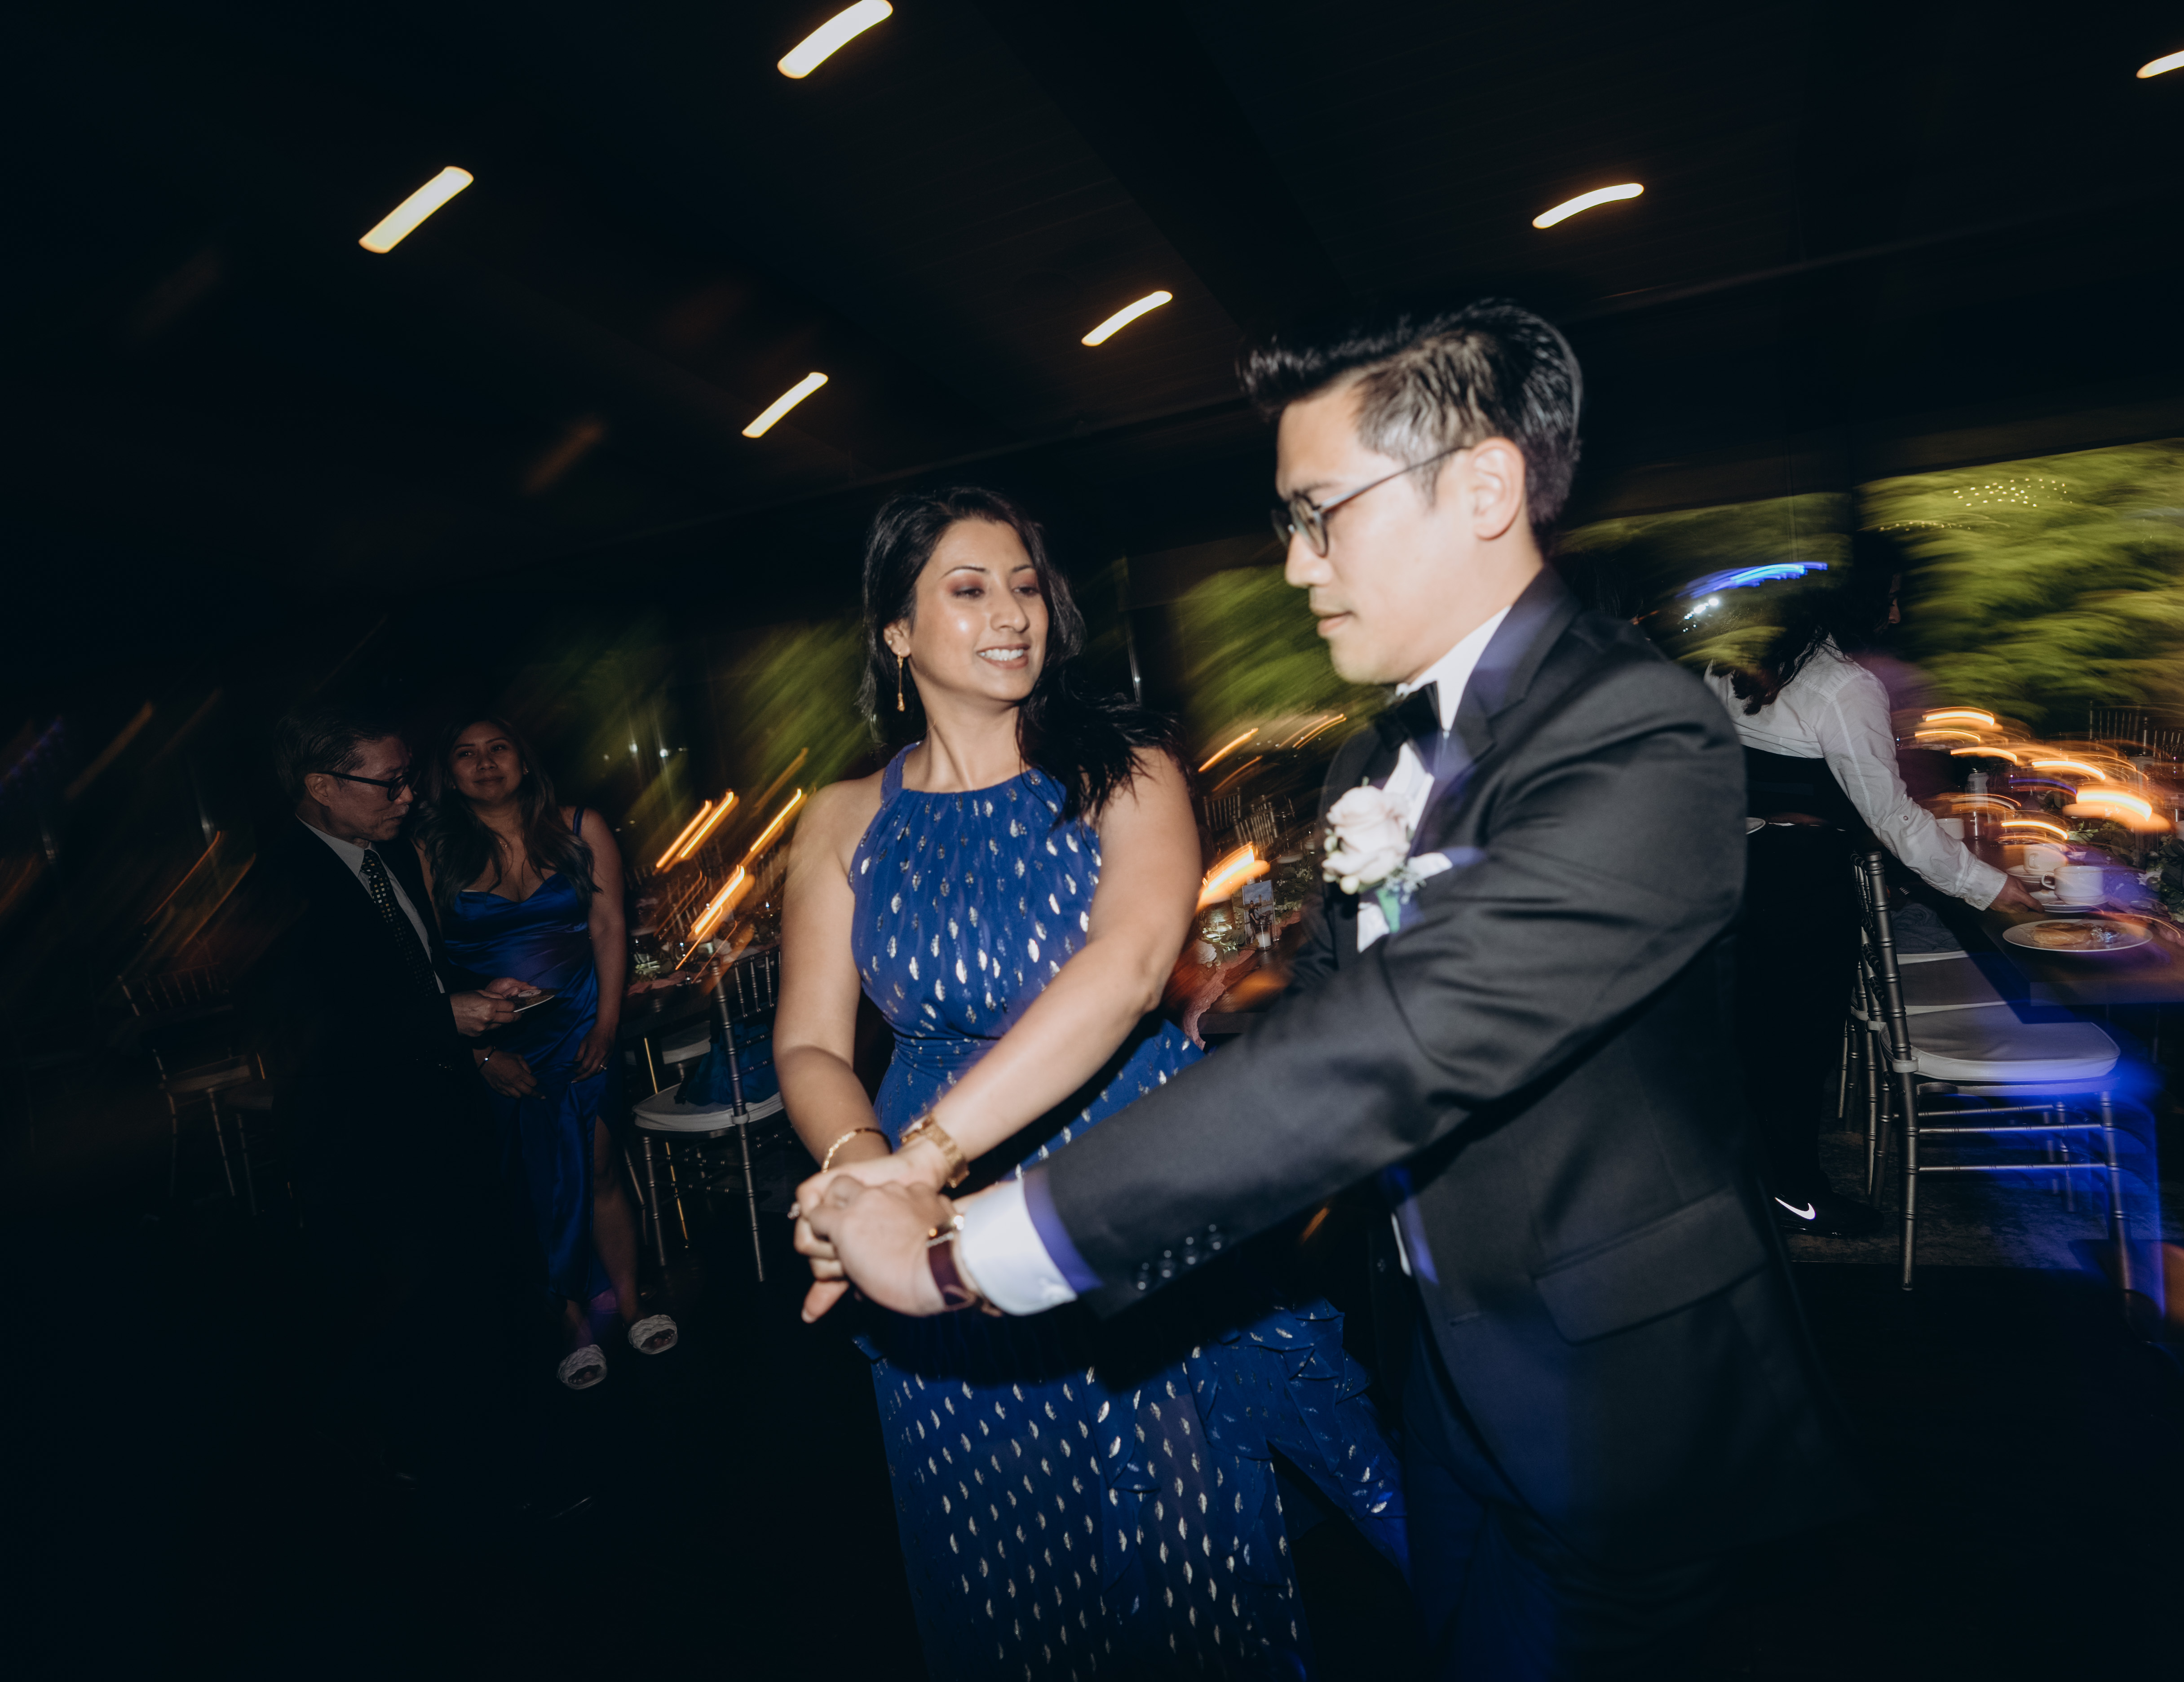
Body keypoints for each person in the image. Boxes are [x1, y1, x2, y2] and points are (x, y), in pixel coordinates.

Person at [801, 302, 1860, 1679]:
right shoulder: (1384, 755)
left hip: (1616, 1394)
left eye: (1319, 513)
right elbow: (1337, 1010)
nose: (1295, 560)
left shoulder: (1639, 727)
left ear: (1483, 489)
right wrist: (1235, 1000)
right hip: (1453, 1368)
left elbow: (1395, 1043)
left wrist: (960, 1249)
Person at [774, 487, 1406, 1679]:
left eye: (1025, 586)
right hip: (929, 1236)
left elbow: (1126, 970)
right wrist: (864, 1174)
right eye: (970, 589)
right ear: (896, 631)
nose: (1014, 614)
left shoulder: (1128, 769)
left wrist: (921, 1165)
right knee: (1002, 1575)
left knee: (1187, 1571)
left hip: (1126, 1198)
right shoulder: (843, 820)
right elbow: (809, 1044)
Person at [1704, 536, 2040, 1237]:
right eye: (1890, 599)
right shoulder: (1844, 686)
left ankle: (1758, 1182)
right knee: (1800, 1046)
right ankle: (1796, 1194)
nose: (1896, 615)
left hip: (1740, 871)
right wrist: (1991, 887)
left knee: (1758, 1038)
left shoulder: (1735, 666)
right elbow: (1890, 816)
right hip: (1803, 887)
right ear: (1857, 602)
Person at [247, 701, 530, 1482]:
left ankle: (487, 1462)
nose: (409, 797)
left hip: (443, 1117)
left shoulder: (393, 856)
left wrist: (472, 1004)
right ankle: (422, 1478)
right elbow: (302, 1026)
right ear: (322, 785)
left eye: (408, 779)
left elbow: (414, 973)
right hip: (360, 1142)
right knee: (404, 1322)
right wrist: (442, 1017)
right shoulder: (276, 882)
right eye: (390, 783)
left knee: (470, 1300)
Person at [419, 714, 667, 1390]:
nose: (485, 762)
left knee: (601, 1164)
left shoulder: (581, 827)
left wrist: (607, 1025)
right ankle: (571, 1322)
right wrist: (478, 1057)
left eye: (498, 748)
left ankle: (632, 1303)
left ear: (523, 761)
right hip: (495, 1038)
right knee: (531, 1180)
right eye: (466, 753)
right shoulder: (430, 851)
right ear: (450, 775)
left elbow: (609, 926)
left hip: (584, 1019)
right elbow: (426, 968)